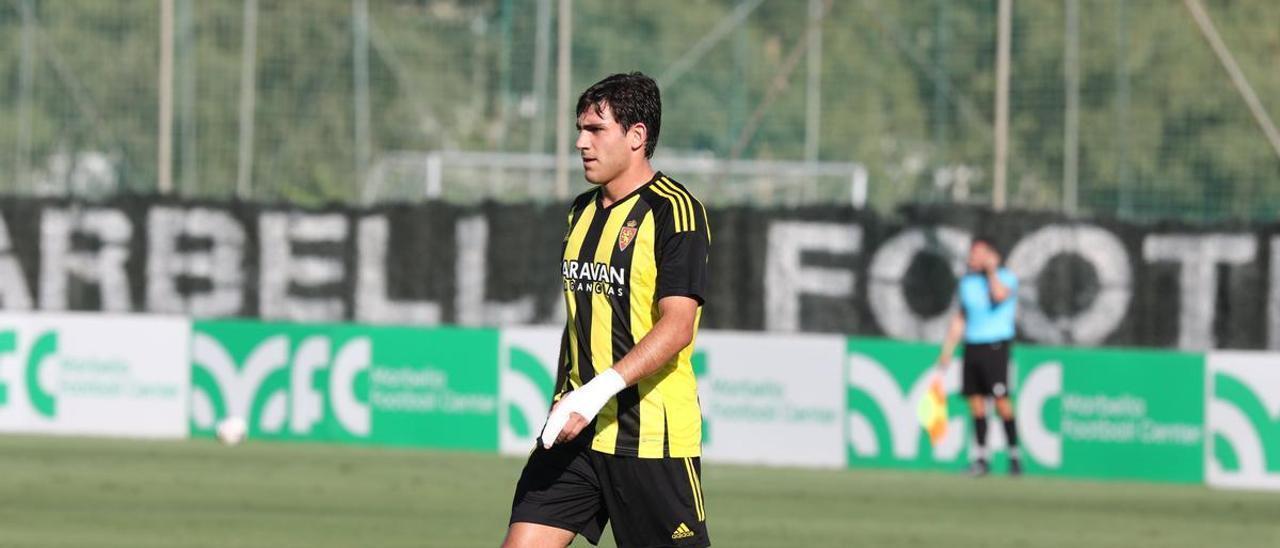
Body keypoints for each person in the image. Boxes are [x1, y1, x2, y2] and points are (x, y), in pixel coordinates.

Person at [502, 72, 711, 548]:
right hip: (577, 436)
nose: (581, 142)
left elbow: (677, 327)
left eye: (596, 129)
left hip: (651, 442)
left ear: (637, 136)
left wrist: (597, 391)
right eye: (580, 129)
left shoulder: (675, 212)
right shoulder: (579, 213)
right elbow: (579, 321)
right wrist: (565, 396)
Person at [936, 236, 1021, 477]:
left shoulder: (1006, 277)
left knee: (1001, 401)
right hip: (972, 346)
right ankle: (981, 458)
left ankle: (1014, 456)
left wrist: (992, 270)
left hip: (995, 346)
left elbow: (999, 296)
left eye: (978, 253)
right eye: (972, 254)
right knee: (976, 403)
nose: (973, 258)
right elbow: (960, 318)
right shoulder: (967, 283)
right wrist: (947, 351)